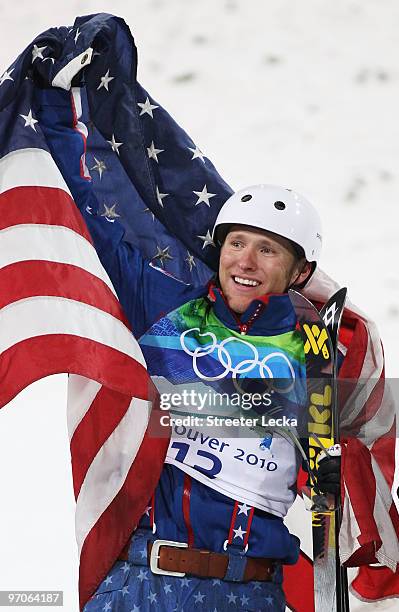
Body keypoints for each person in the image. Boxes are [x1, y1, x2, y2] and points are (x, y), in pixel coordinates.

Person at [76, 184, 341, 612]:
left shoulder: (315, 353)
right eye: (236, 242)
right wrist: (53, 121)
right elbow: (90, 230)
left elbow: (333, 490)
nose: (245, 261)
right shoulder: (165, 308)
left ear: (300, 273)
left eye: (268, 250)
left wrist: (329, 474)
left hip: (244, 592)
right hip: (133, 585)